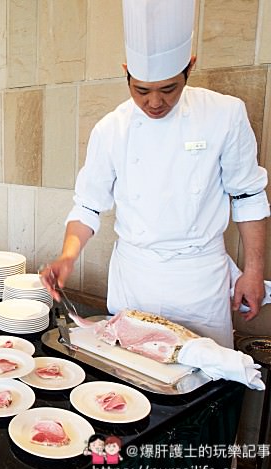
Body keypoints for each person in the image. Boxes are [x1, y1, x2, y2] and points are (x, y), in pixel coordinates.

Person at [40, 0, 269, 348]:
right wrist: (68, 256)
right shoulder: (111, 129)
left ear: (189, 69)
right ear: (126, 73)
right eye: (141, 90)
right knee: (128, 386)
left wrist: (253, 271)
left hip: (198, 281)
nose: (154, 103)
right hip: (135, 279)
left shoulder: (224, 115)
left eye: (169, 89)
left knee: (203, 382)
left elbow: (248, 196)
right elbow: (88, 205)